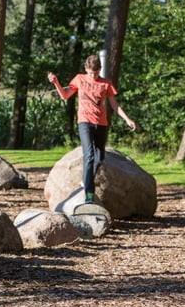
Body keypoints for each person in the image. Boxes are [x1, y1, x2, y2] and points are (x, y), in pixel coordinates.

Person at [48, 55, 137, 204]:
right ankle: (89, 193)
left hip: (101, 124)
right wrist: (56, 82)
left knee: (99, 157)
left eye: (95, 73)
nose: (93, 76)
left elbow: (114, 105)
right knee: (89, 155)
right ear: (86, 69)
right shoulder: (79, 79)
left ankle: (85, 180)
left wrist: (127, 119)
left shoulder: (106, 84)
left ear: (100, 70)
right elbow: (65, 95)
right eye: (90, 73)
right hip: (85, 122)